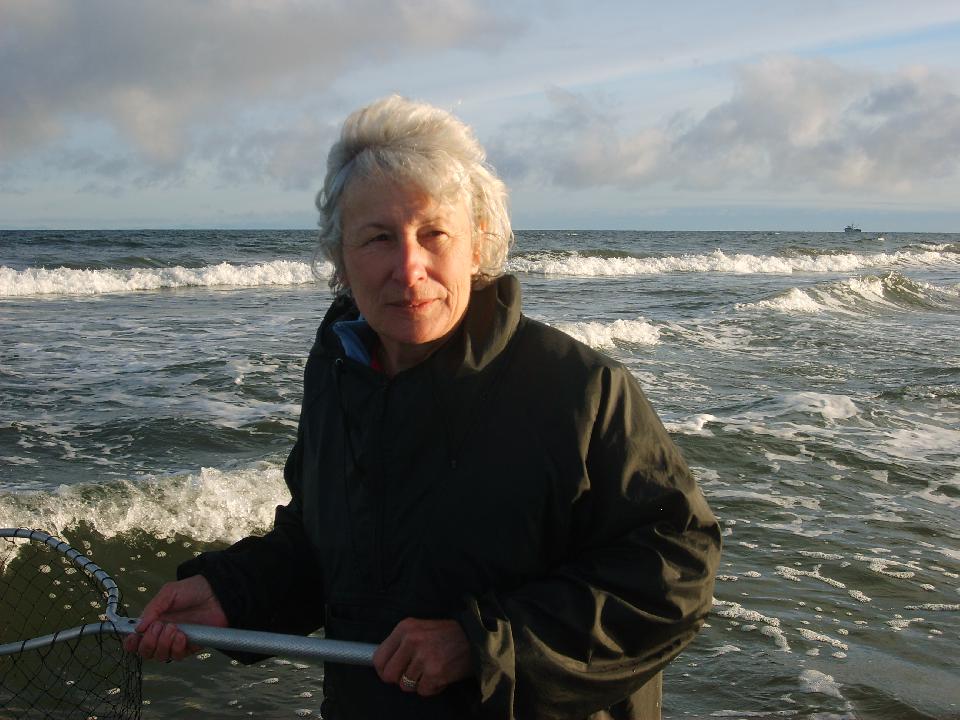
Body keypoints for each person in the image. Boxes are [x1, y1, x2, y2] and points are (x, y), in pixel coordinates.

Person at [125, 95, 721, 719]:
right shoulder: (337, 375)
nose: (409, 269)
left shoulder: (582, 390)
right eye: (378, 238)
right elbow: (328, 548)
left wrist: (481, 644)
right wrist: (230, 594)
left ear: (478, 244)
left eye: (434, 233)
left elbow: (677, 569)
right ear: (340, 257)